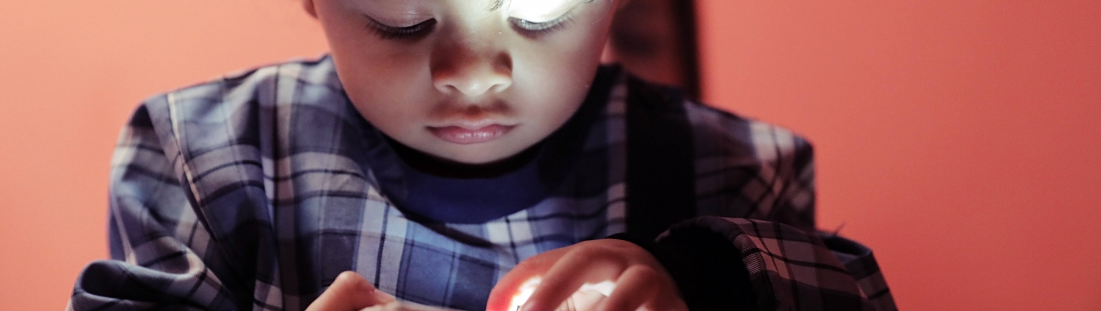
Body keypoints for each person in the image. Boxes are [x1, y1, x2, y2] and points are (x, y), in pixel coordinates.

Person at [69, 0, 896, 310]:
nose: (470, 73)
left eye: (538, 14)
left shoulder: (729, 169)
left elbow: (850, 290)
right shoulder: (207, 156)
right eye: (401, 18)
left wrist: (702, 277)